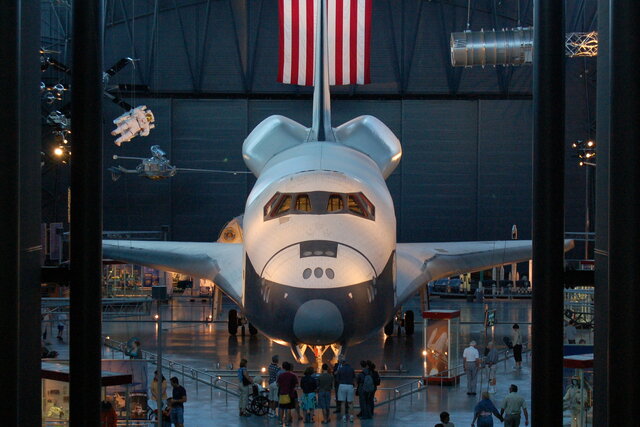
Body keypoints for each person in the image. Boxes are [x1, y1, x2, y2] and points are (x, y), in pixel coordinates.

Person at [334, 355, 356, 422]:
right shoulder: (351, 369)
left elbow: (337, 379)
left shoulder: (340, 369)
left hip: (342, 385)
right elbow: (354, 377)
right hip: (350, 386)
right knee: (350, 403)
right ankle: (351, 417)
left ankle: (343, 417)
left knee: (342, 403)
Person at [277, 361, 298, 426]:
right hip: (290, 394)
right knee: (288, 408)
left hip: (282, 393)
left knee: (281, 407)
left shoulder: (281, 375)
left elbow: (278, 384)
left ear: (283, 368)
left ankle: (280, 421)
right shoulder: (293, 376)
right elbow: (296, 384)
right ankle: (287, 421)